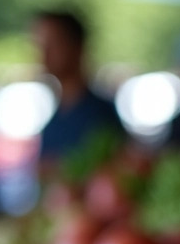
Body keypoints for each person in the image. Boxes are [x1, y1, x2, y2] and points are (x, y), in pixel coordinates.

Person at [31, 10, 124, 162]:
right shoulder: (56, 116)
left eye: (53, 44)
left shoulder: (100, 117)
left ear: (77, 46)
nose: (44, 55)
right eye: (40, 45)